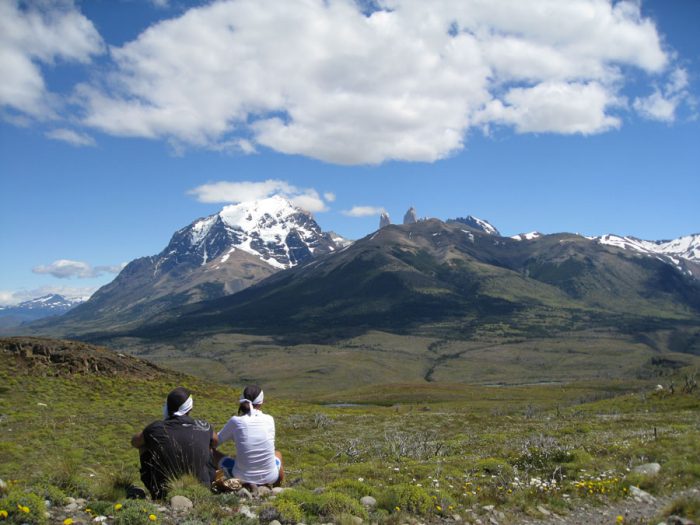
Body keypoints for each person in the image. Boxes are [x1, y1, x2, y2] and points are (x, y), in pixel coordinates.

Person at [131, 386, 218, 499]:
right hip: (202, 490)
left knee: (144, 445)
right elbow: (215, 441)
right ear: (189, 408)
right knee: (209, 446)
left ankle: (155, 488)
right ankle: (207, 481)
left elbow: (135, 442)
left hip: (163, 491)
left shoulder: (155, 428)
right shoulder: (204, 426)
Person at [214, 385, 284, 487]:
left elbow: (217, 441)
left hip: (240, 477)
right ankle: (276, 487)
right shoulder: (270, 419)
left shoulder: (236, 421)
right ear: (261, 402)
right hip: (270, 477)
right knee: (277, 454)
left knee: (212, 453)